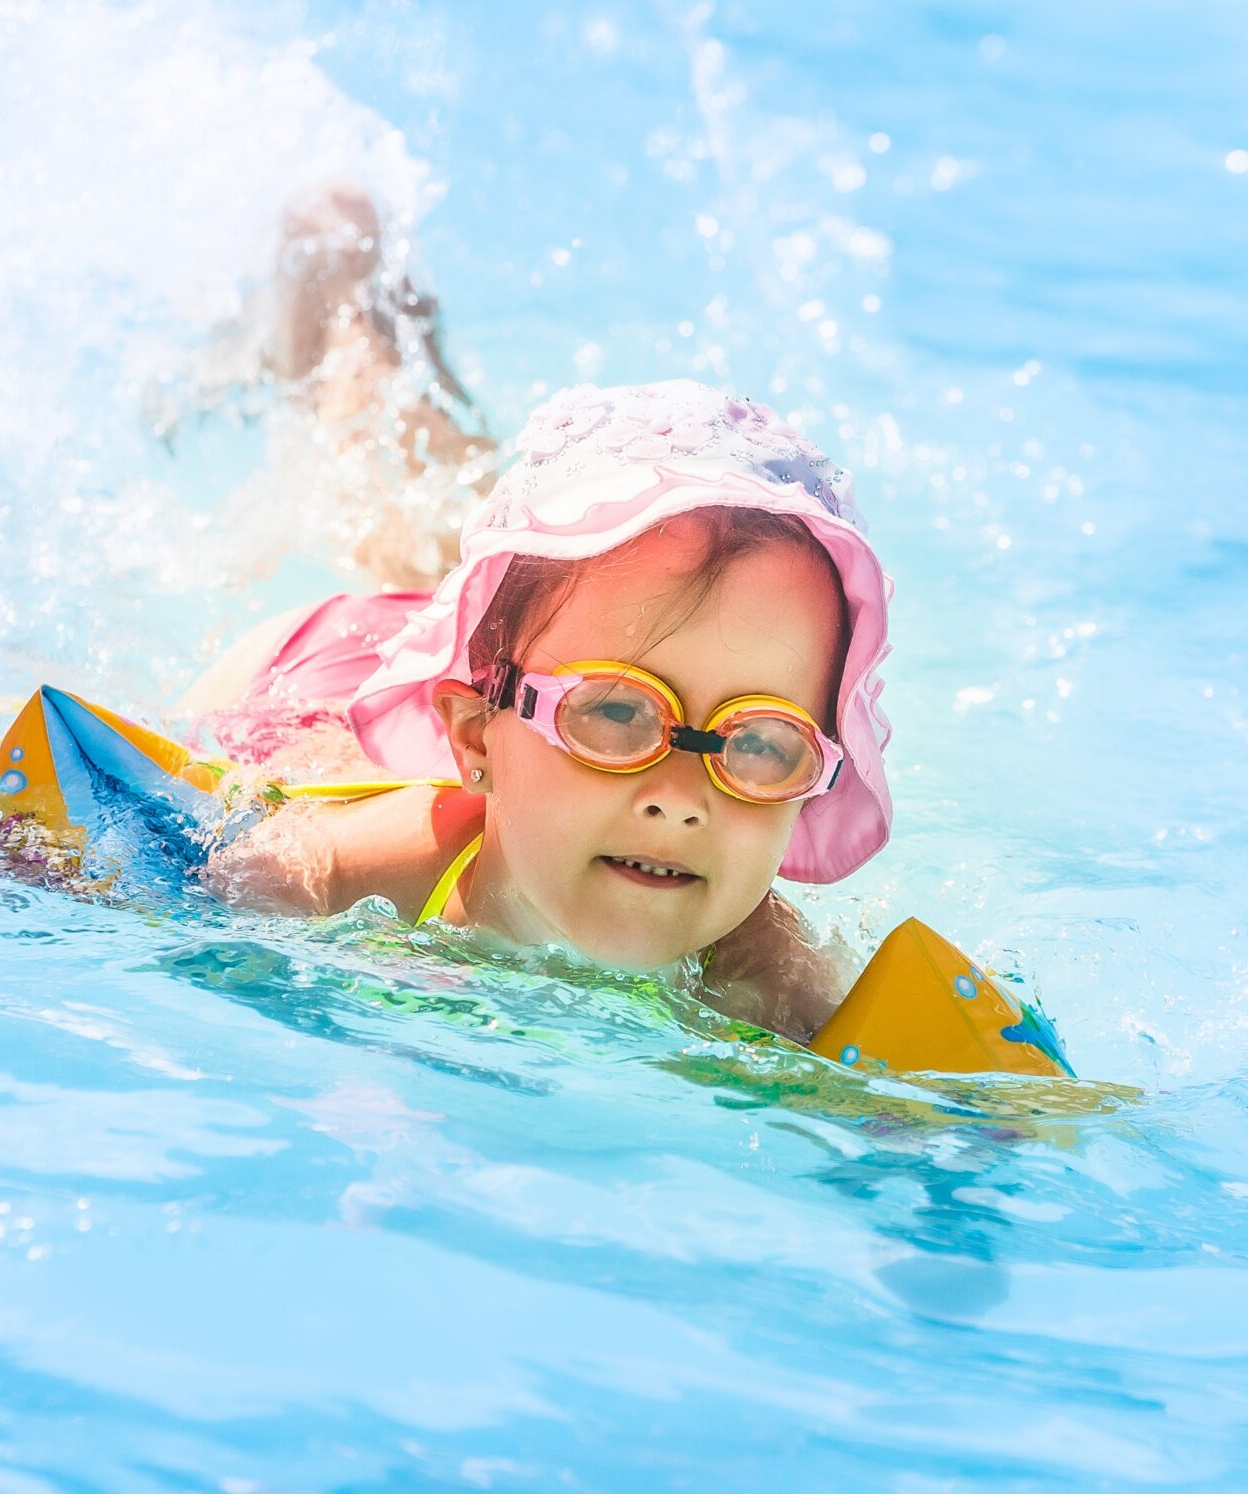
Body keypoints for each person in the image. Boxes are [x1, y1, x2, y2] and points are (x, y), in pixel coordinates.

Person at [183, 194, 896, 1043]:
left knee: (429, 529)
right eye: (618, 711)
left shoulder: (775, 981)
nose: (681, 802)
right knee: (381, 482)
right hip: (319, 678)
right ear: (477, 738)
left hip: (532, 652)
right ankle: (345, 283)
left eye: (759, 743)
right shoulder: (343, 874)